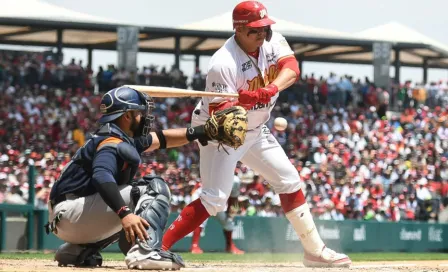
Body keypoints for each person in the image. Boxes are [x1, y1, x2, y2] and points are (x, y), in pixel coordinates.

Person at [162, 1, 351, 268]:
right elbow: (223, 119)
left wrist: (270, 89)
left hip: (257, 130)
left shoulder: (273, 42)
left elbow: (292, 69)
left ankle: (314, 251)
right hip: (221, 133)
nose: (261, 33)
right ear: (238, 30)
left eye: (264, 27)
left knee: (289, 180)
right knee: (215, 198)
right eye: (254, 30)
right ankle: (159, 248)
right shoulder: (223, 63)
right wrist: (241, 104)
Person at [45, 86, 237, 270]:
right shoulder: (111, 143)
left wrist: (202, 132)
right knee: (153, 187)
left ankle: (79, 250)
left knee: (133, 205)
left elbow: (162, 139)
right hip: (72, 213)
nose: (144, 117)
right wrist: (124, 213)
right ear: (127, 116)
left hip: (66, 218)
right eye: (139, 112)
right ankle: (146, 252)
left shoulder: (115, 137)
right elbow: (101, 177)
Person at [189, 173, 244, 254]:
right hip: (202, 197)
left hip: (217, 202)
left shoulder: (235, 180)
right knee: (200, 221)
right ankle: (194, 246)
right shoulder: (216, 172)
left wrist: (229, 212)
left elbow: (233, 198)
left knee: (228, 222)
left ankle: (230, 247)